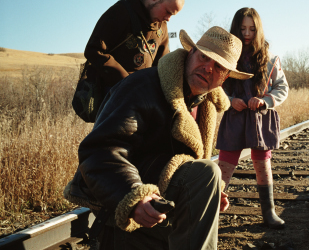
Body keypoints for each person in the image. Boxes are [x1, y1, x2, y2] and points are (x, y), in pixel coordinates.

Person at [64, 26, 253, 250]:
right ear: (191, 52)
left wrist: (207, 194)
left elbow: (183, 167)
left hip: (160, 208)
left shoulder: (204, 103)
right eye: (204, 57)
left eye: (219, 66)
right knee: (209, 171)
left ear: (224, 78)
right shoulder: (143, 86)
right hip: (123, 208)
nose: (208, 68)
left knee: (208, 177)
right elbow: (99, 151)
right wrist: (134, 195)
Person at [216, 7, 289, 229]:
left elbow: (282, 88)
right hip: (234, 118)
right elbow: (214, 87)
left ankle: (269, 213)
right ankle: (210, 213)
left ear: (258, 30)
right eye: (242, 28)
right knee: (224, 166)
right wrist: (229, 100)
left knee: (262, 164)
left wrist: (265, 101)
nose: (247, 34)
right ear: (235, 29)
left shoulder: (271, 59)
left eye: (251, 29)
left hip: (260, 120)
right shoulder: (225, 58)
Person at [84, 0, 184, 90]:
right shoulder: (121, 12)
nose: (168, 19)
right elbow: (94, 50)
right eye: (168, 12)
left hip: (141, 98)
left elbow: (162, 67)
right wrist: (127, 83)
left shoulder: (162, 26)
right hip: (109, 97)